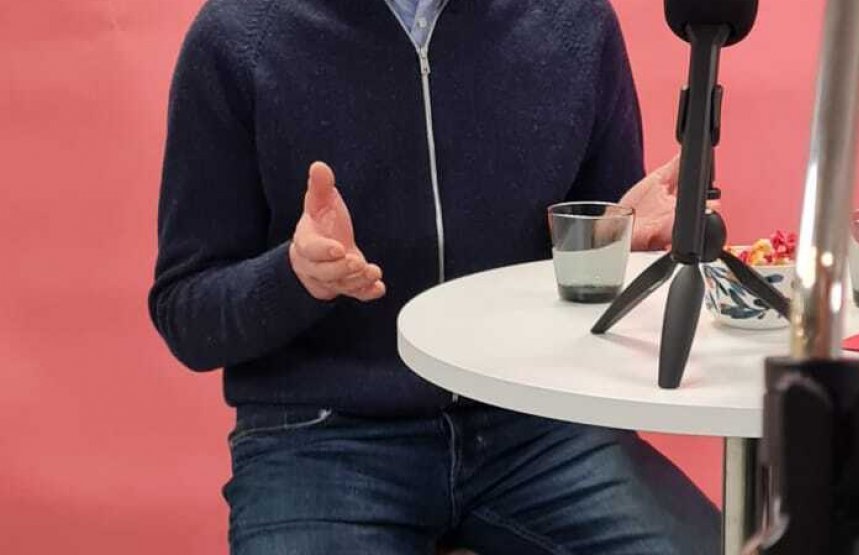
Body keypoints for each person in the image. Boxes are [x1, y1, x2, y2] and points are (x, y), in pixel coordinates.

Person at [148, 1, 718, 553]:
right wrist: (296, 277)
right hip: (322, 436)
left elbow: (591, 288)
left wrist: (611, 246)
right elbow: (187, 312)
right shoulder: (238, 36)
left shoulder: (575, 20)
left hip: (539, 426)